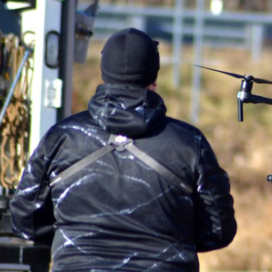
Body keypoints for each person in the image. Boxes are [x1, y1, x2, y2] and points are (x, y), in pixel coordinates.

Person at [10, 28, 237, 271]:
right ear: (154, 79)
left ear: (104, 73)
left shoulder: (62, 138)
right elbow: (219, 231)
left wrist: (68, 238)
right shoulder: (190, 143)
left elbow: (25, 220)